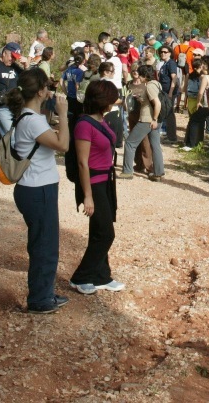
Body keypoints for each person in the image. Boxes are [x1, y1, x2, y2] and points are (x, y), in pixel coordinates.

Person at [7, 68, 72, 314]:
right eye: (47, 88)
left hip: (31, 188)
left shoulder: (26, 116)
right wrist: (63, 114)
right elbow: (63, 145)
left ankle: (42, 292)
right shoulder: (33, 120)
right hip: (38, 189)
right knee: (45, 245)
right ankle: (40, 300)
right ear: (42, 91)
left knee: (40, 243)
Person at [71, 80, 126, 294]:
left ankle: (102, 275)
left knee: (98, 230)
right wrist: (87, 196)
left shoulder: (101, 119)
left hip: (105, 180)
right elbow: (82, 162)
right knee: (106, 233)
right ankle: (81, 276)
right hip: (93, 183)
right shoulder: (84, 125)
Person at [121, 64, 165, 180]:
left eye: (140, 75)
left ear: (145, 75)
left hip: (147, 119)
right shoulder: (156, 84)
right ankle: (158, 173)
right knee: (155, 145)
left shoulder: (149, 86)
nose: (138, 77)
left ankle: (127, 171)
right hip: (154, 119)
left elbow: (157, 103)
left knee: (130, 143)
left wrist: (154, 119)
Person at [0, 43, 23, 138]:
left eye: (15, 58)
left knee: (1, 140)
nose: (13, 59)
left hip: (13, 107)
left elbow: (28, 80)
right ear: (4, 53)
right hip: (0, 107)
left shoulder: (14, 66)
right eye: (11, 56)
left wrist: (26, 66)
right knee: (11, 138)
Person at [182, 59, 209, 152]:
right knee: (199, 122)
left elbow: (185, 88)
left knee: (193, 121)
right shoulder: (203, 77)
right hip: (199, 101)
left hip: (191, 100)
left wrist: (185, 101)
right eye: (201, 66)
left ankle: (190, 142)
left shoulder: (190, 76)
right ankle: (198, 142)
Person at [156, 44, 179, 144]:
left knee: (169, 113)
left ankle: (172, 137)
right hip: (164, 92)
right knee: (166, 113)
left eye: (165, 52)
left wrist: (170, 92)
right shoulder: (164, 64)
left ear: (170, 53)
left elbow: (174, 78)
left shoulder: (171, 63)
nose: (163, 53)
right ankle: (169, 135)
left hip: (169, 92)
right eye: (161, 52)